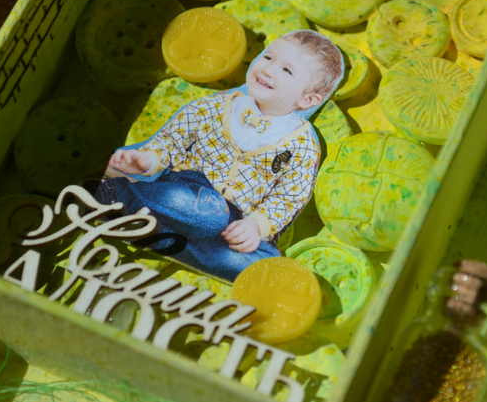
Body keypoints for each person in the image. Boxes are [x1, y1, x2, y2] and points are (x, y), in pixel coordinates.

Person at [94, 30, 343, 281]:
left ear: (308, 99)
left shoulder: (302, 144)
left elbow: (289, 196)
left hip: (234, 226)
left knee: (261, 264)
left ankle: (149, 231)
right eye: (268, 57)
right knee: (209, 213)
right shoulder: (218, 105)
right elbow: (174, 139)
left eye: (287, 70)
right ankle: (117, 193)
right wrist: (147, 161)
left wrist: (255, 226)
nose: (268, 69)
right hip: (188, 196)